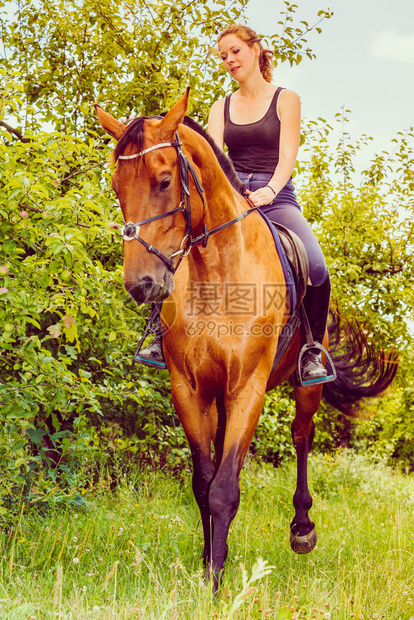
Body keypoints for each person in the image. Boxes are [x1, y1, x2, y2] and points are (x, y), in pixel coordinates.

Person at [138, 23, 331, 385]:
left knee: (316, 267)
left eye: (235, 52)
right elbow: (212, 161)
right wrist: (229, 196)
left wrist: (271, 191)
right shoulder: (221, 106)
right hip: (233, 199)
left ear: (255, 49)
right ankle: (158, 335)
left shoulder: (285, 99)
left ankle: (310, 351)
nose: (229, 60)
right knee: (172, 247)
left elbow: (288, 155)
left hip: (277, 198)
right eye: (223, 56)